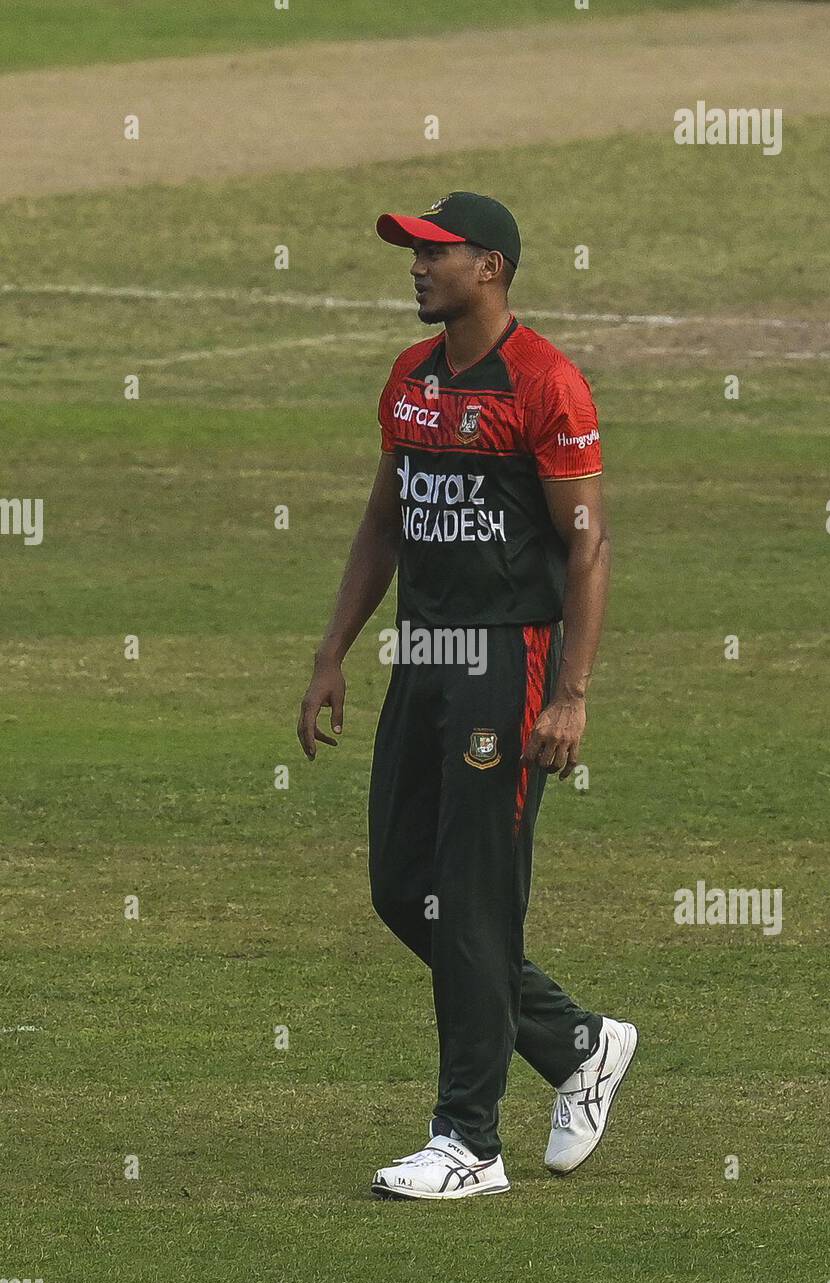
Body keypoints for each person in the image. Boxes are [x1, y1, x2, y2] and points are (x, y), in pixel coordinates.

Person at [297, 192, 638, 1201]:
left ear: (487, 266)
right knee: (404, 886)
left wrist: (568, 694)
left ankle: (468, 1142)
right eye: (411, 251)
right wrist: (330, 653)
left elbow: (588, 549)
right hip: (423, 655)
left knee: (478, 893)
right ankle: (577, 1040)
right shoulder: (407, 380)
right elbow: (382, 524)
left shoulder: (545, 384)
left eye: (431, 253)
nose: (413, 266)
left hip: (506, 659)